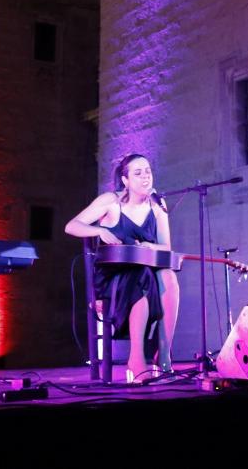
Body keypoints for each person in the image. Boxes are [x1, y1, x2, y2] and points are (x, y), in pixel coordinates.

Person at [65, 153, 180, 382]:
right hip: (113, 277)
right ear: (125, 180)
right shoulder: (110, 201)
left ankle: (163, 354)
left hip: (143, 271)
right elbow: (72, 226)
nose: (145, 176)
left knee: (168, 277)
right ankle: (136, 360)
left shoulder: (157, 205)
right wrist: (99, 231)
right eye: (138, 173)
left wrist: (150, 245)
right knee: (142, 275)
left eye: (147, 171)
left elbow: (166, 248)